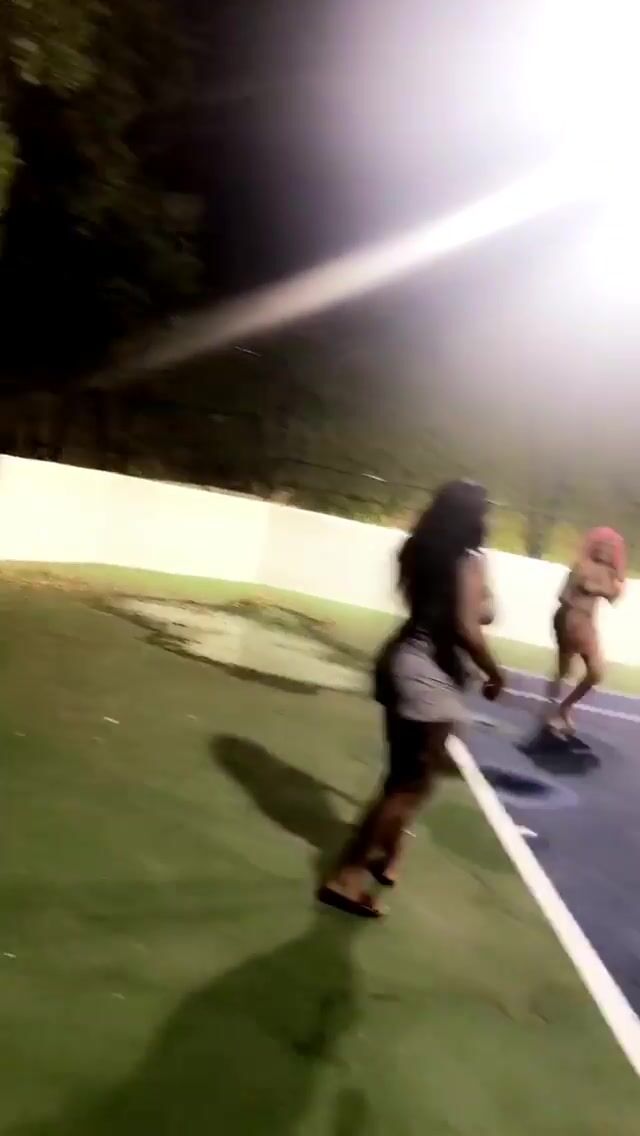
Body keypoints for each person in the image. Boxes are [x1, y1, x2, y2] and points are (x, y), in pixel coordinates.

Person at [318, 479, 504, 919]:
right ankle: (347, 876)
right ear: (473, 517)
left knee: (406, 777)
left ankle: (387, 853)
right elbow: (469, 625)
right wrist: (496, 673)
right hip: (428, 676)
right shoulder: (467, 560)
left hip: (400, 660)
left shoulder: (417, 550)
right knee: (409, 784)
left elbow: (434, 610)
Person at [547, 526, 625, 736]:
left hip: (584, 622)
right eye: (603, 545)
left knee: (592, 672)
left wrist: (614, 586)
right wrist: (607, 588)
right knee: (571, 669)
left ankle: (561, 707)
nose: (607, 551)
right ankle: (556, 708)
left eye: (611, 548)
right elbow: (583, 586)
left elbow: (613, 596)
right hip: (571, 618)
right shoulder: (582, 565)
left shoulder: (606, 572)